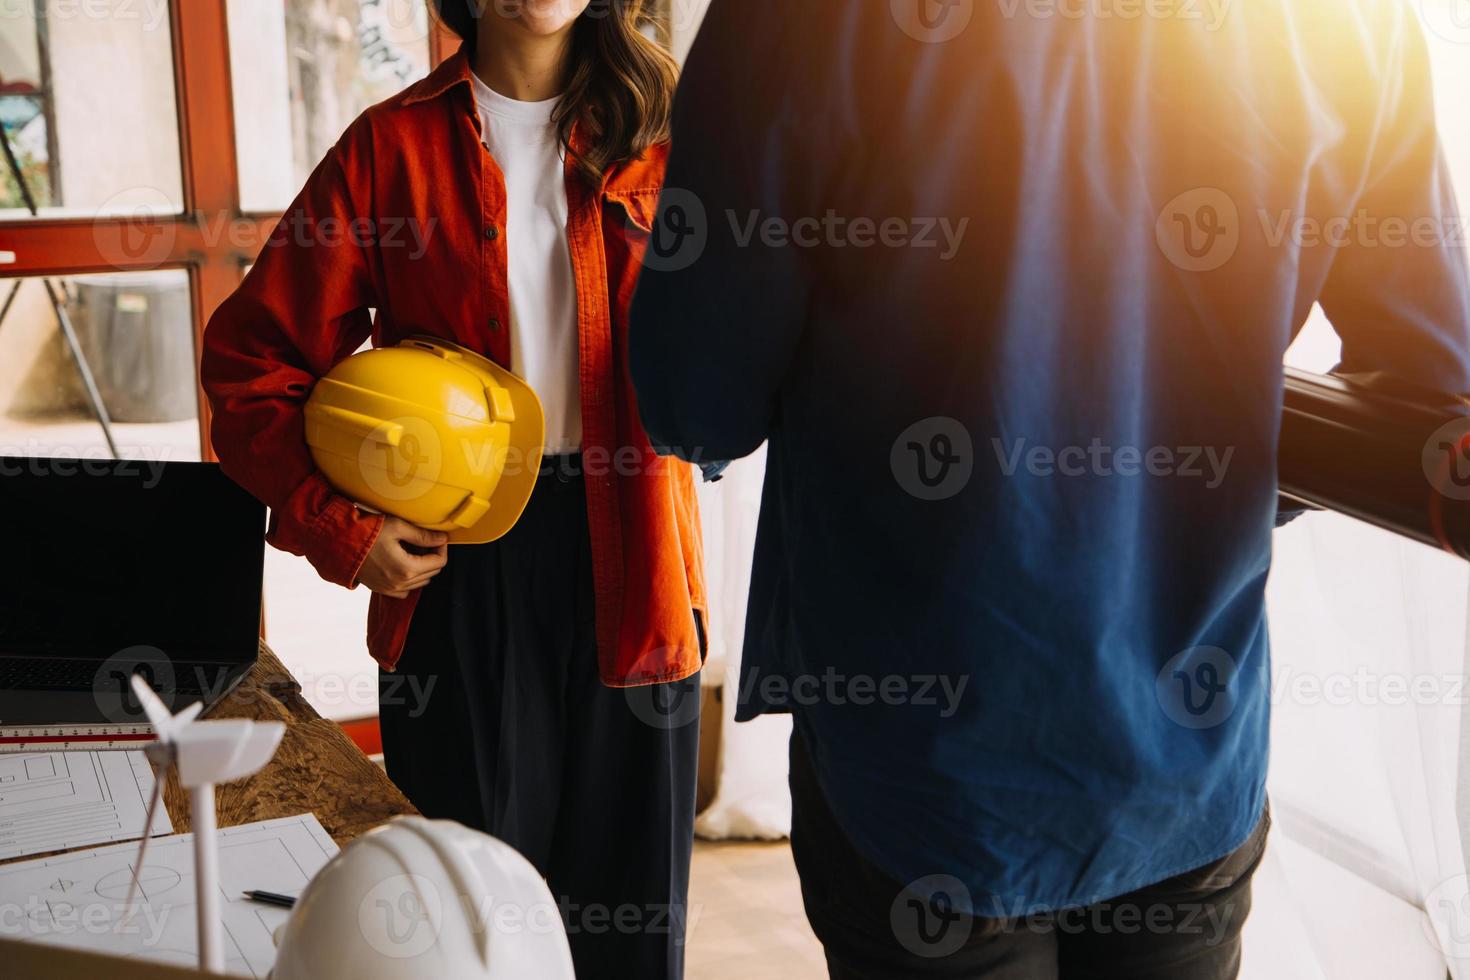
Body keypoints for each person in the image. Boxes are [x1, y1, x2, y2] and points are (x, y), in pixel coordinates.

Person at [629, 0, 1470, 976]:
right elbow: (1430, 393)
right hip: (1182, 756)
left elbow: (698, 399)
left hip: (926, 766)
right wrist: (1193, 456)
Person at [201, 3, 706, 977]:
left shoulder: (675, 131)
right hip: (458, 572)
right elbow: (248, 365)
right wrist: (344, 528)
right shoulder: (389, 148)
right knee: (460, 923)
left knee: (630, 928)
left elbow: (755, 329)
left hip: (638, 555)